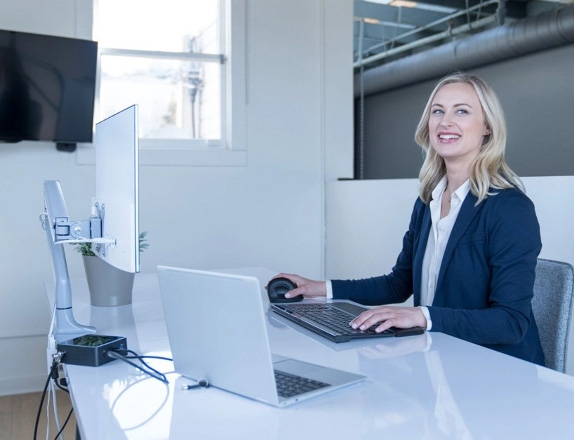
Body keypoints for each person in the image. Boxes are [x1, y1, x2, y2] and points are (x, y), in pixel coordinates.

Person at [275, 72, 545, 366]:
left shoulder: (509, 208)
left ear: (488, 128)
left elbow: (510, 322)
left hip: (498, 373)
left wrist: (421, 315)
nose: (445, 122)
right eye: (437, 111)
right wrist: (320, 289)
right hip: (443, 359)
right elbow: (398, 284)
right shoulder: (428, 200)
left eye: (462, 111)